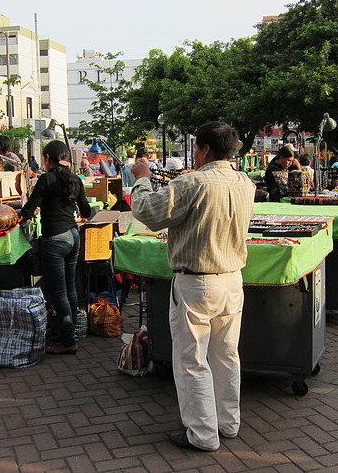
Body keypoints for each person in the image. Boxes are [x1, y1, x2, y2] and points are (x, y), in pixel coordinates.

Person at [130, 121, 255, 452]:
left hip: (197, 282)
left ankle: (202, 434)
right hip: (231, 280)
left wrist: (141, 178)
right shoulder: (245, 182)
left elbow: (147, 211)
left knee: (192, 360)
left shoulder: (192, 183)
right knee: (226, 355)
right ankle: (227, 424)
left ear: (204, 150)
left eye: (196, 150)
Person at [19, 140, 92, 355]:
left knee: (59, 293)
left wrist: (19, 216)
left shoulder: (46, 179)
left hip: (55, 240)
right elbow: (86, 212)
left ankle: (68, 341)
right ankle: (68, 331)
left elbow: (29, 209)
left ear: (47, 158)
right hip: (73, 236)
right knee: (70, 288)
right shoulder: (75, 179)